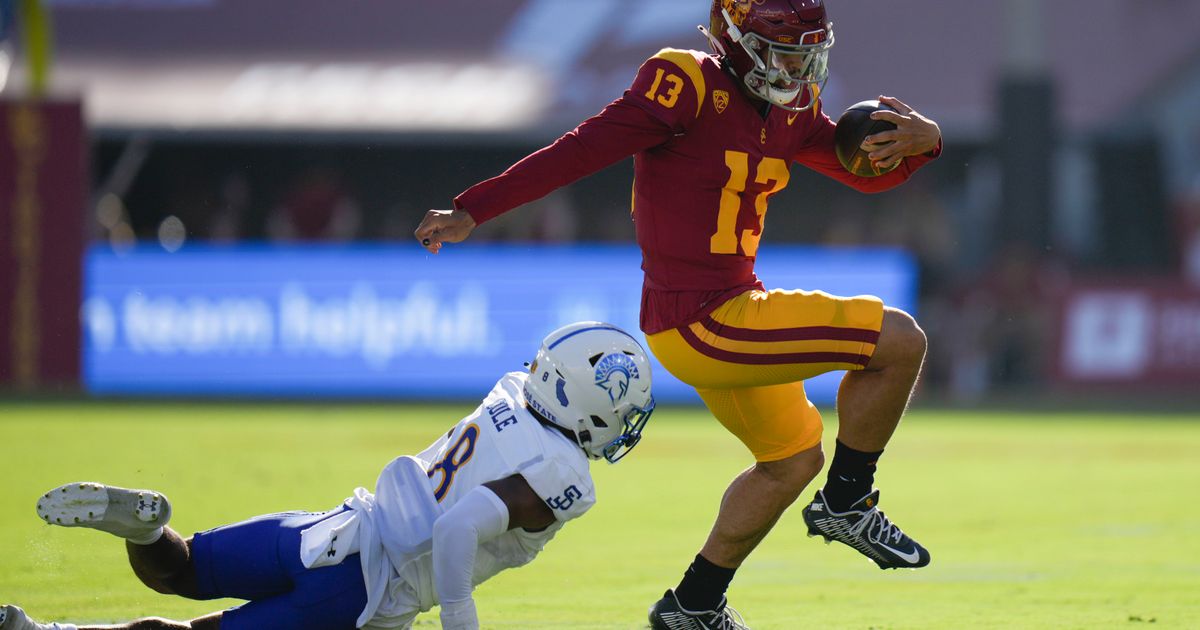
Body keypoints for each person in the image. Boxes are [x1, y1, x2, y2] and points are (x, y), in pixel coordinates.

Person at [413, 1, 941, 628]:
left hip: (723, 313)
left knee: (792, 460)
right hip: (707, 317)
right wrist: (475, 208)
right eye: (785, 51)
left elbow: (860, 173)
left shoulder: (792, 108)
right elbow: (580, 150)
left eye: (808, 51)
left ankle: (693, 603)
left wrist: (924, 142)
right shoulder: (684, 84)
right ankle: (850, 502)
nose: (799, 68)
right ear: (736, 41)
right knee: (898, 340)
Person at [2, 322, 656, 630]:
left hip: (335, 526)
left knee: (183, 567)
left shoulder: (515, 389)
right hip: (361, 592)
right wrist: (459, 616)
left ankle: (143, 533)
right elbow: (459, 525)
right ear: (591, 406)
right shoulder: (565, 474)